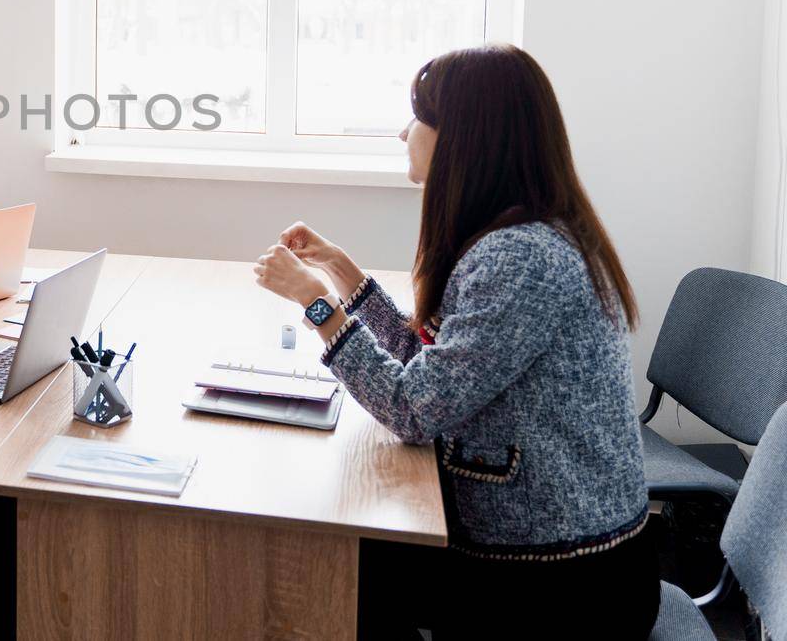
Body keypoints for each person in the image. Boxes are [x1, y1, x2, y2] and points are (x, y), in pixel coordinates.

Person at [252, 44, 657, 641]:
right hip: (554, 554)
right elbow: (428, 370)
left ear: (463, 138)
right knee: (336, 548)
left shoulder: (520, 259)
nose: (403, 132)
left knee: (319, 567)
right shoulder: (521, 234)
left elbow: (413, 411)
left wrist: (318, 305)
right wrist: (342, 270)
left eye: (417, 118)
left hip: (565, 584)